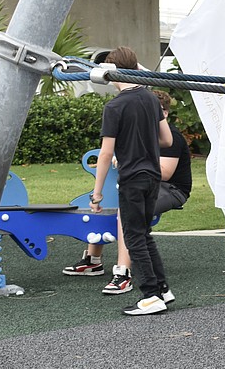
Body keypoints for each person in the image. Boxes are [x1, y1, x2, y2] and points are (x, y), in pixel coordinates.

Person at [63, 89, 192, 295]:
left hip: (171, 189)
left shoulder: (171, 136)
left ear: (165, 114)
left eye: (157, 112)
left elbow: (166, 173)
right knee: (113, 204)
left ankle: (123, 273)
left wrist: (131, 156)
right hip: (145, 182)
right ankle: (93, 259)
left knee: (129, 214)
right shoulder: (142, 134)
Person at [87, 46, 174, 316]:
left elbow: (105, 154)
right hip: (152, 176)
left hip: (132, 178)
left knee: (134, 237)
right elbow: (167, 140)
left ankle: (150, 295)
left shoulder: (114, 107)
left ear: (111, 72)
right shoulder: (150, 99)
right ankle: (162, 289)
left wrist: (97, 194)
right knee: (143, 234)